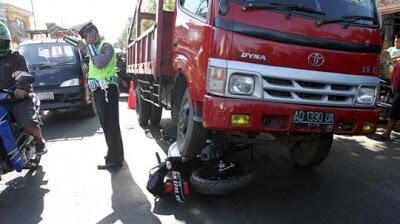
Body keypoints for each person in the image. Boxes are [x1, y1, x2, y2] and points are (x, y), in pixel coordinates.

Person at [62, 22, 124, 170]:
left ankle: (114, 160)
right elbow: (80, 46)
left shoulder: (105, 46)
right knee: (106, 124)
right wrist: (65, 37)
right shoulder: (95, 47)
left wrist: (88, 47)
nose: (85, 39)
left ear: (93, 33)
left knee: (111, 125)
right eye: (83, 37)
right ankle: (115, 154)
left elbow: (99, 63)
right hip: (100, 91)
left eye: (86, 36)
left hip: (107, 90)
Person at [0, 22, 47, 155]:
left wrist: (22, 88)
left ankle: (39, 141)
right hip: (0, 101)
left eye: (1, 42)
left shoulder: (16, 58)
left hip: (16, 98)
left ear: (7, 42)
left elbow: (23, 75)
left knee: (27, 123)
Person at [380, 60, 400, 140]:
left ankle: (387, 133)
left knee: (394, 113)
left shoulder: (398, 64)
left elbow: (394, 77)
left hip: (399, 91)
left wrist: (394, 88)